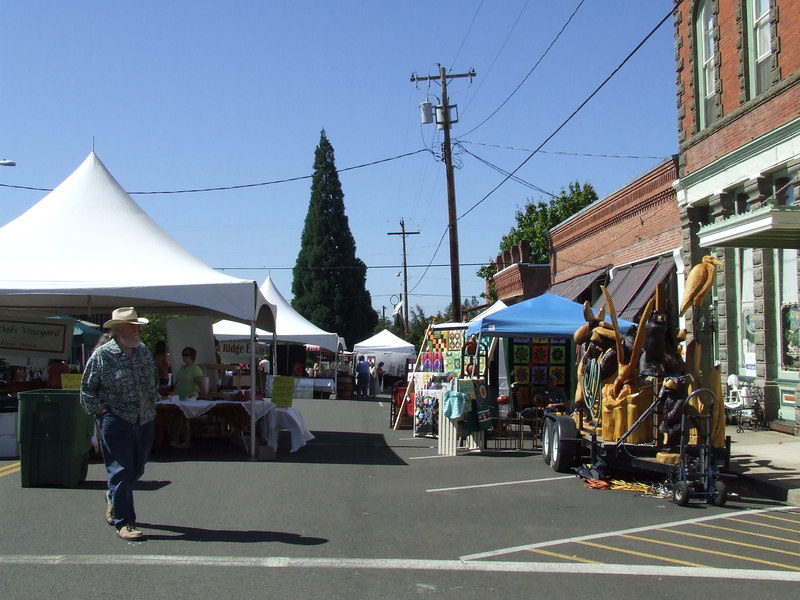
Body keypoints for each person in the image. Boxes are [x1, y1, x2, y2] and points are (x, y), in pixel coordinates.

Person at [80, 307, 158, 541]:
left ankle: (114, 497)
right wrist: (102, 410)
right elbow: (87, 389)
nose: (137, 331)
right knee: (121, 471)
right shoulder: (103, 355)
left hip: (143, 418)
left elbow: (153, 378)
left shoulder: (143, 351)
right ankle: (125, 523)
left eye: (137, 326)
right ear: (118, 330)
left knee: (137, 468)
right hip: (116, 420)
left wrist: (152, 402)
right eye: (132, 326)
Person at [170, 346, 207, 449]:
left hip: (189, 398)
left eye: (186, 354)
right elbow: (177, 383)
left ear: (192, 356)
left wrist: (205, 395)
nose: (184, 357)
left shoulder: (195, 369)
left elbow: (200, 384)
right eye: (183, 354)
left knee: (184, 418)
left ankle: (185, 441)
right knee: (179, 417)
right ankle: (176, 440)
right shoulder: (182, 369)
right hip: (178, 397)